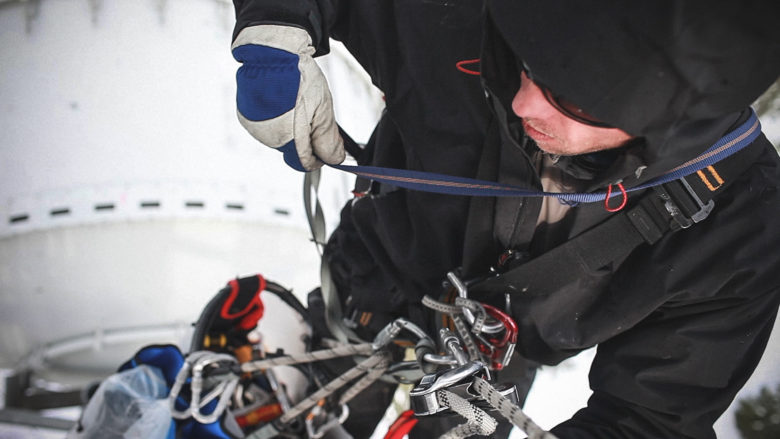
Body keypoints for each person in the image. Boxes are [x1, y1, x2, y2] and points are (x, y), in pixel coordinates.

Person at [229, 0, 780, 437]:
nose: (524, 104)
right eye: (522, 61)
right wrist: (276, 26)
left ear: (673, 120)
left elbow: (651, 417)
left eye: (577, 103)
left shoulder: (739, 223)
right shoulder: (467, 18)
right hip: (373, 275)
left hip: (491, 368)